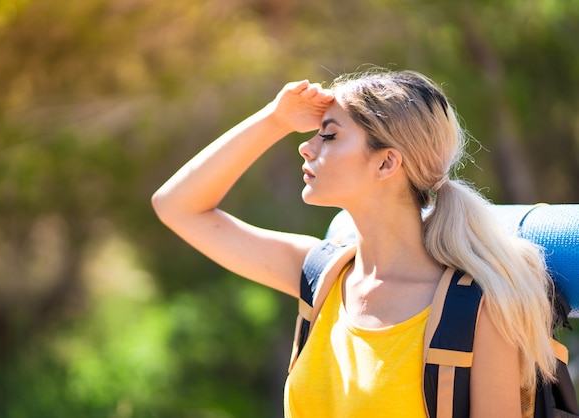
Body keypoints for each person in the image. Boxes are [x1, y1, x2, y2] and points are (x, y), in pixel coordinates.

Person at [151, 68, 557, 417]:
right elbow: (177, 207)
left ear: (386, 163)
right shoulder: (319, 275)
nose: (305, 146)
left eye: (328, 136)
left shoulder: (476, 310)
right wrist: (274, 119)